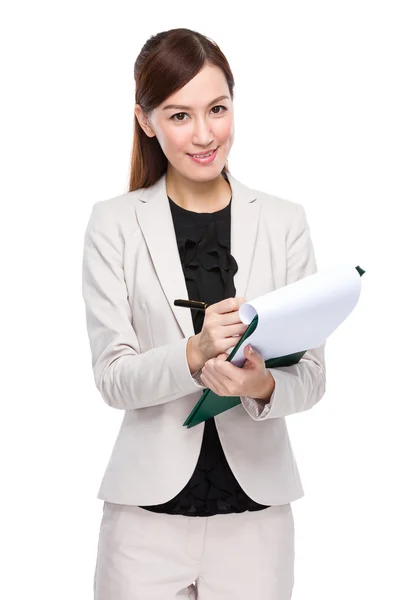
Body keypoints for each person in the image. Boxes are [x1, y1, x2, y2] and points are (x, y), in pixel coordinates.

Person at [82, 27, 326, 600]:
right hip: (145, 521)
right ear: (146, 120)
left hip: (258, 521)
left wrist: (259, 384)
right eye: (179, 115)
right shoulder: (113, 223)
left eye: (217, 109)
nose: (204, 134)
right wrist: (191, 356)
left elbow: (312, 377)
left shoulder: (285, 222)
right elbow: (111, 378)